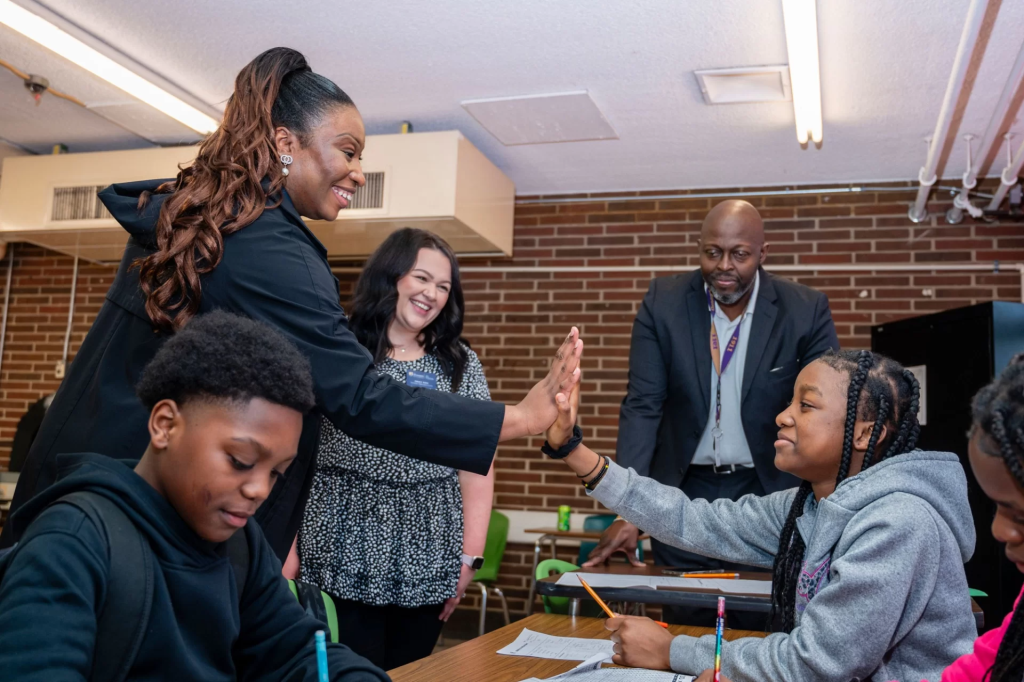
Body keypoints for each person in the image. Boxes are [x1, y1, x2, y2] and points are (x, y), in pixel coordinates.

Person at [1, 47, 582, 560]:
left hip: (85, 492)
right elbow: (359, 396)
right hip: (143, 518)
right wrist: (524, 418)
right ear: (285, 142)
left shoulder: (200, 215)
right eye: (348, 151)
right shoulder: (267, 247)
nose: (358, 172)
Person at [543, 349, 976, 681]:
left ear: (865, 433)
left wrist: (671, 650)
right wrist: (573, 452)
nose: (782, 416)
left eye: (805, 406)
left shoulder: (899, 521)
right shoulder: (806, 505)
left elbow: (816, 665)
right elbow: (692, 521)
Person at [0, 311, 387, 681]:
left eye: (276, 473)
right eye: (239, 460)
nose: (259, 490)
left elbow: (294, 651)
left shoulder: (242, 545)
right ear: (165, 425)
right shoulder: (73, 543)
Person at [585, 199, 838, 626]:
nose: (724, 266)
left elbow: (827, 406)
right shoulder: (662, 303)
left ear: (763, 253)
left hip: (769, 493)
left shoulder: (803, 309)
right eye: (711, 252)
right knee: (686, 624)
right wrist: (629, 508)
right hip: (683, 493)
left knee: (765, 624)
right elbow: (643, 405)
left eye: (739, 254)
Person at [296, 228, 494, 669]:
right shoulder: (340, 348)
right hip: (340, 540)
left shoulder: (458, 362)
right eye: (422, 278)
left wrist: (470, 558)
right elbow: (296, 451)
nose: (432, 294)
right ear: (391, 276)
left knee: (413, 673)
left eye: (443, 286)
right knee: (349, 672)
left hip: (429, 550)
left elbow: (478, 465)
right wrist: (289, 545)